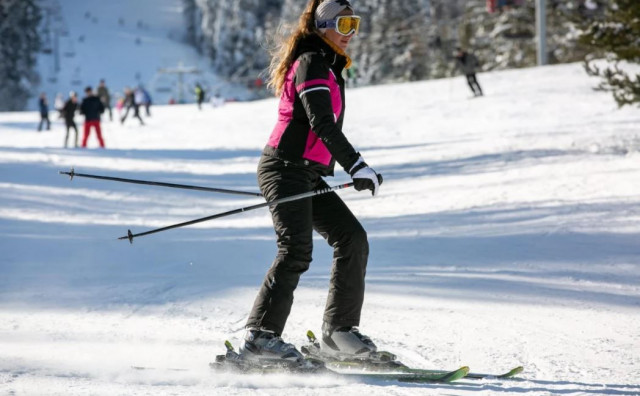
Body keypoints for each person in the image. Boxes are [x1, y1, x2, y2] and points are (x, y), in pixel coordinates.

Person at [239, 0, 381, 365]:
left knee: (352, 238)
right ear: (323, 27)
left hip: (305, 173)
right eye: (344, 24)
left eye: (355, 24)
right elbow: (321, 122)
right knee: (296, 250)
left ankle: (338, 333)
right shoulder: (312, 63)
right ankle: (261, 339)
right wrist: (356, 165)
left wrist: (351, 166)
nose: (351, 33)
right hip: (283, 169)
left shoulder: (328, 66)